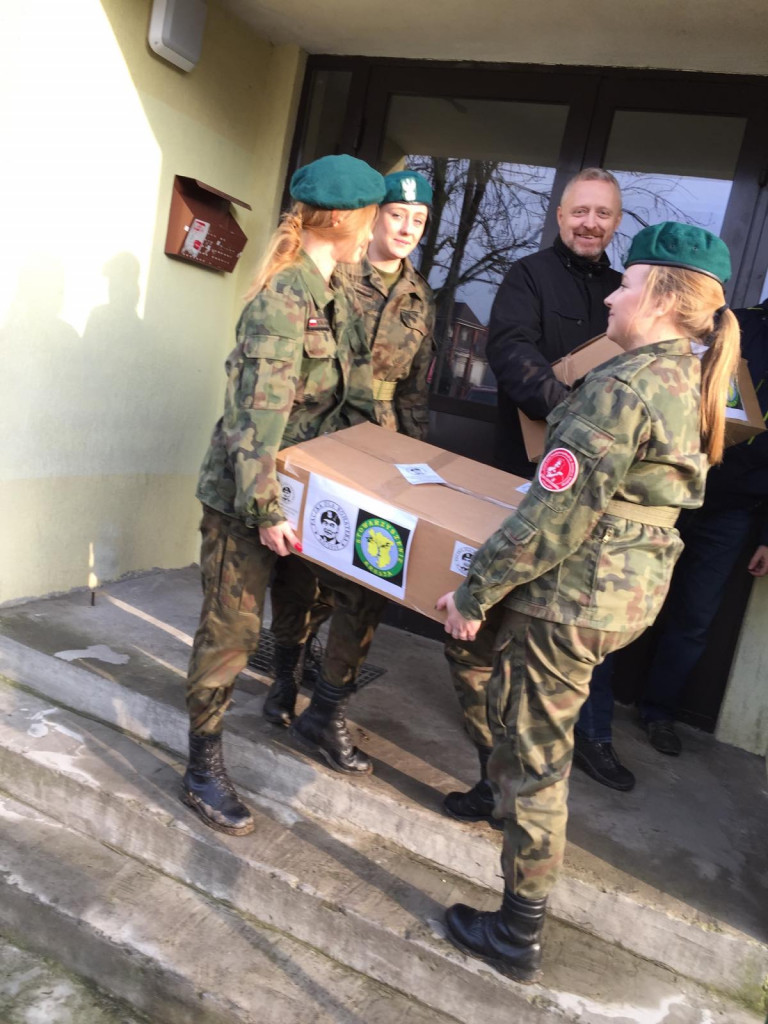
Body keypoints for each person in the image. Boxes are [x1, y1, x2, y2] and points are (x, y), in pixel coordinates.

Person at [436, 222, 740, 982]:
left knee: (540, 759)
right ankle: (494, 791)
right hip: (620, 595)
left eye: (627, 283)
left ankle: (517, 930)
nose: (611, 294)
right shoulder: (687, 378)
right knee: (490, 685)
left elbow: (554, 515)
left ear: (663, 298)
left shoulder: (626, 385)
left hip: (572, 598)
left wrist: (476, 592)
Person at [180, 154, 385, 836]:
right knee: (232, 630)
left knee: (311, 606)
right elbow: (254, 418)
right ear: (350, 219)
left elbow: (347, 406)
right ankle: (203, 761)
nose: (377, 227)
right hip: (249, 498)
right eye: (374, 214)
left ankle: (296, 704)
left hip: (300, 494)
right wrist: (266, 510)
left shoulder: (336, 295)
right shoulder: (285, 297)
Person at [444, 169, 631, 814]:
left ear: (614, 222)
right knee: (500, 627)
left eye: (602, 213)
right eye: (580, 210)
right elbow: (512, 351)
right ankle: (495, 769)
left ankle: (590, 741)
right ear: (560, 216)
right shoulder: (526, 276)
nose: (589, 223)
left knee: (572, 623)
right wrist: (571, 421)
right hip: (522, 473)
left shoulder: (624, 293)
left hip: (596, 492)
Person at [260, 171, 436, 777]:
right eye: (396, 216)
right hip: (321, 434)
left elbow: (414, 390)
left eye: (418, 221)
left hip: (379, 448)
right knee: (297, 576)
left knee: (367, 580)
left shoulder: (420, 295)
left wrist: (414, 464)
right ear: (370, 218)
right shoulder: (336, 269)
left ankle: (327, 710)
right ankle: (283, 679)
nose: (407, 229)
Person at [636, 297, 768, 755]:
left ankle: (659, 711)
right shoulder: (735, 323)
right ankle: (589, 700)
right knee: (626, 592)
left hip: (734, 511)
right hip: (674, 483)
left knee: (694, 617)